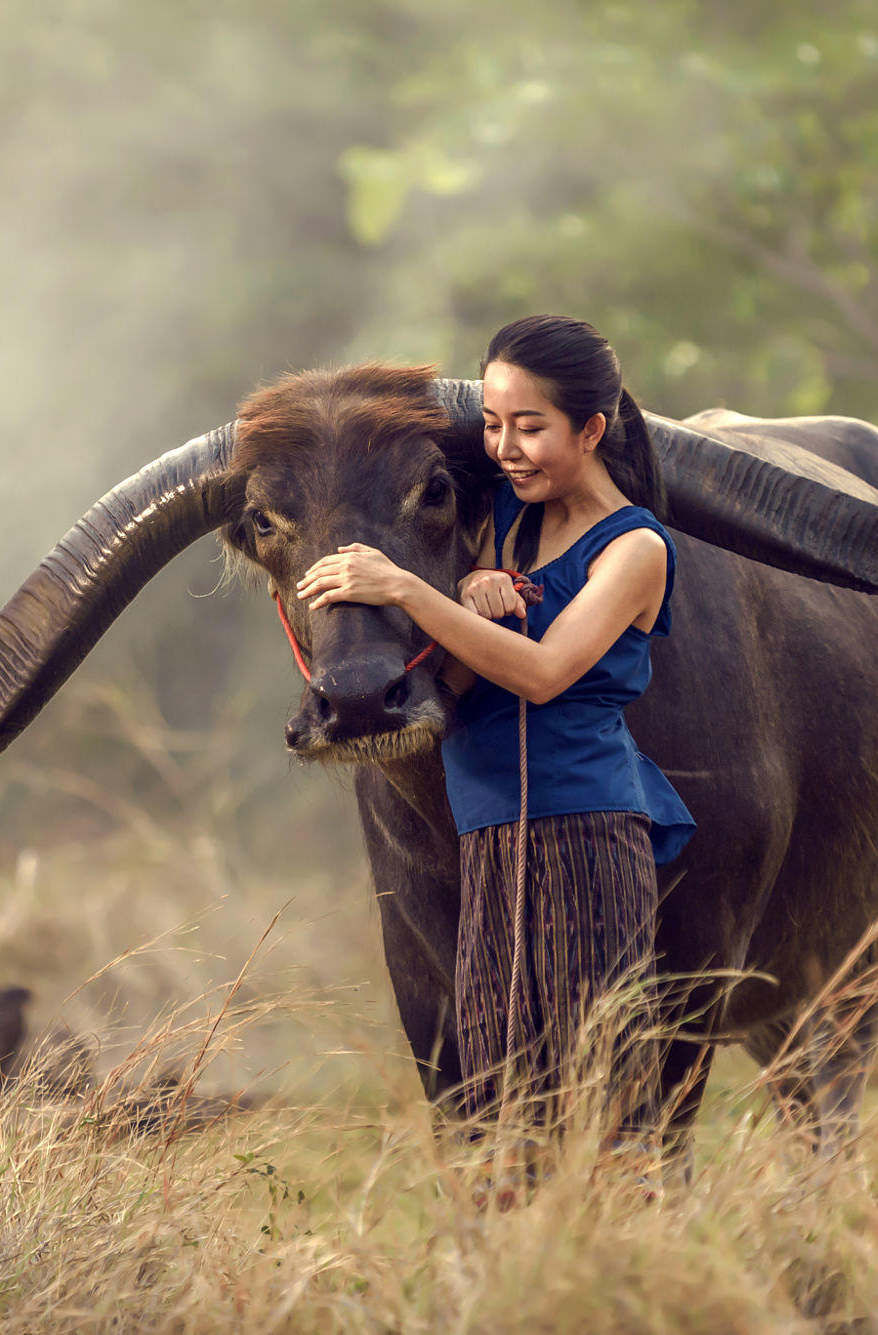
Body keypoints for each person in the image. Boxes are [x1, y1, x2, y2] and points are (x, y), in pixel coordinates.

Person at [295, 314, 695, 1160]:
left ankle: (641, 1281)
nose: (507, 448)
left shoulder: (634, 549)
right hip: (489, 840)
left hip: (585, 832)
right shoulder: (510, 530)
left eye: (531, 426)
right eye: (493, 425)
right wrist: (465, 583)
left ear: (591, 430)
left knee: (605, 1097)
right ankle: (518, 1288)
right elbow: (466, 677)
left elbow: (545, 672)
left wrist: (405, 586)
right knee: (497, 1105)